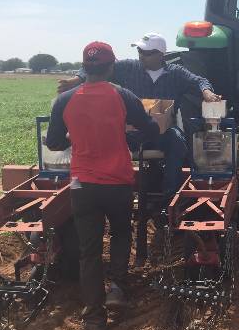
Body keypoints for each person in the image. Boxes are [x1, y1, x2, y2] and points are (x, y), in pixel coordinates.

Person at [46, 41, 159, 330]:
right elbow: (150, 129)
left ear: (85, 68)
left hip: (82, 185)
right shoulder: (123, 95)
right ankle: (117, 288)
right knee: (121, 232)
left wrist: (77, 135)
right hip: (118, 181)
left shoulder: (64, 100)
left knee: (89, 251)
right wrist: (127, 129)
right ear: (111, 67)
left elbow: (54, 143)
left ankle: (94, 318)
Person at [57, 32, 222, 210]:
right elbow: (97, 66)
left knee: (178, 141)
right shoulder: (128, 67)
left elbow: (199, 80)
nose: (141, 56)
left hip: (162, 133)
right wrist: (77, 79)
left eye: (147, 53)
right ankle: (109, 189)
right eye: (140, 51)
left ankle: (170, 199)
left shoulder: (176, 73)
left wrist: (206, 92)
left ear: (161, 54)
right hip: (131, 131)